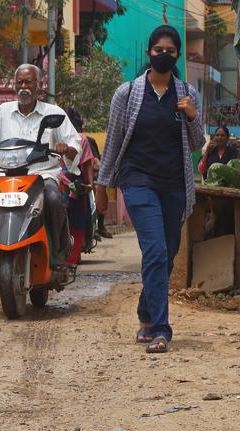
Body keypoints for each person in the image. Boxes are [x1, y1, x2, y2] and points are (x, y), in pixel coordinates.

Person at [97, 25, 206, 354]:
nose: (164, 55)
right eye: (158, 50)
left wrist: (191, 116)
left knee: (167, 255)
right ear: (149, 53)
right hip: (138, 181)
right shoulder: (127, 94)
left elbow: (198, 143)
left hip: (174, 185)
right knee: (156, 251)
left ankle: (146, 312)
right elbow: (114, 141)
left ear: (177, 56)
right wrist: (103, 187)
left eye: (170, 51)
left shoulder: (187, 93)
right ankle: (160, 328)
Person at [0, 64, 82, 311]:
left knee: (53, 199)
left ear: (39, 86)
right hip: (6, 179)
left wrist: (65, 149)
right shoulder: (2, 113)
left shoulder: (54, 112)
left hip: (41, 176)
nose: (24, 88)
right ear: (14, 85)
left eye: (29, 83)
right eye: (20, 83)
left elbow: (74, 143)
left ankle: (58, 257)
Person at [61, 108, 96, 265]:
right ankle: (72, 259)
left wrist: (90, 185)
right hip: (73, 185)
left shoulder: (79, 138)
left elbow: (87, 163)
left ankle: (68, 258)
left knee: (70, 221)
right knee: (77, 222)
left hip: (69, 185)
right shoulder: (81, 138)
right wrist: (90, 184)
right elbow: (87, 164)